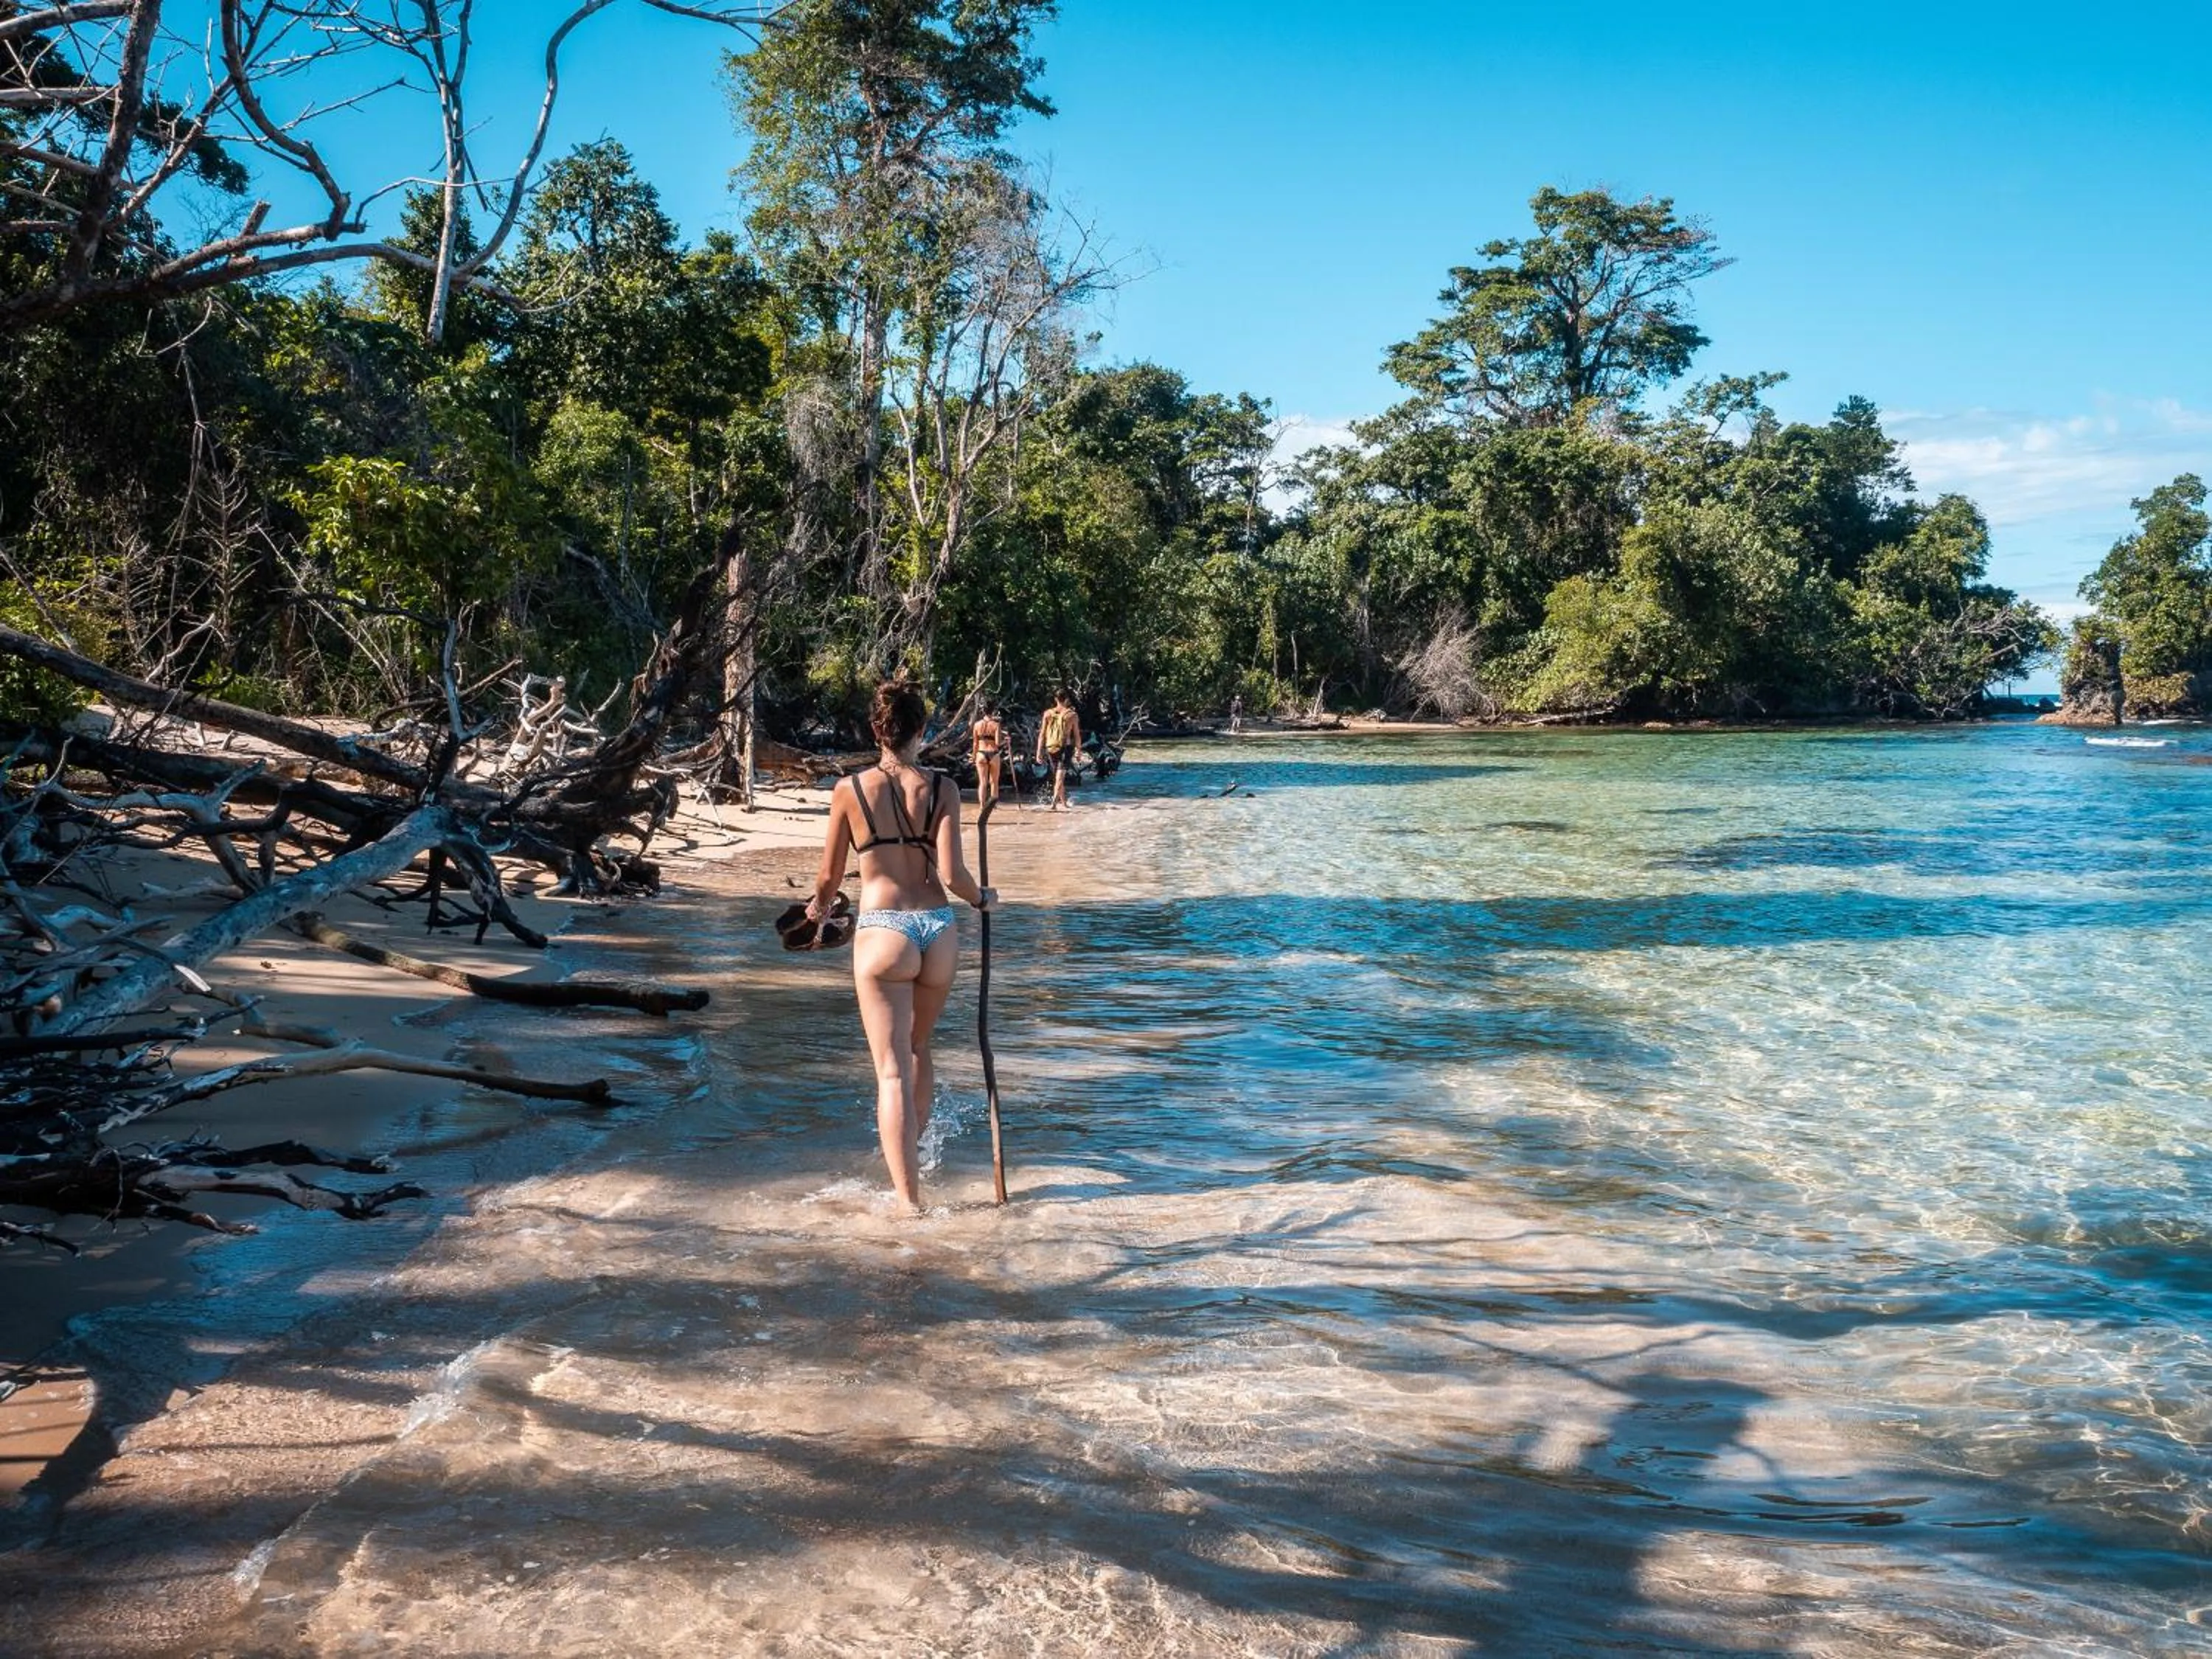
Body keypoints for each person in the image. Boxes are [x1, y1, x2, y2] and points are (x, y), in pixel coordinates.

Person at [808, 679, 996, 1212]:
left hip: (883, 928)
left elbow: (829, 878)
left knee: (891, 1072)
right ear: (922, 729)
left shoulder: (850, 790)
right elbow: (953, 875)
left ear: (876, 730)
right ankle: (913, 1153)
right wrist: (983, 899)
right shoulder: (943, 788)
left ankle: (909, 1203)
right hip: (937, 929)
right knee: (918, 1048)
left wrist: (817, 911)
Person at [1035, 687, 1082, 811]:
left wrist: (1039, 751)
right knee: (1060, 777)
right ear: (1066, 700)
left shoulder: (1048, 714)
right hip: (1065, 748)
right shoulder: (1072, 715)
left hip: (1050, 747)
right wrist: (1079, 750)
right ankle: (1054, 804)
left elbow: (1042, 734)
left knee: (1058, 776)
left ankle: (1063, 802)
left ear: (1055, 699)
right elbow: (1077, 735)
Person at [970, 699, 1006, 809]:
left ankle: (982, 805)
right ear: (993, 711)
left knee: (983, 782)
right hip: (993, 754)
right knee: (994, 782)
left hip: (981, 754)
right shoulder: (996, 725)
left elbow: (975, 743)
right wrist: (1006, 741)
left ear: (983, 711)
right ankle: (992, 806)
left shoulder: (977, 725)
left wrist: (973, 756)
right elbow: (998, 743)